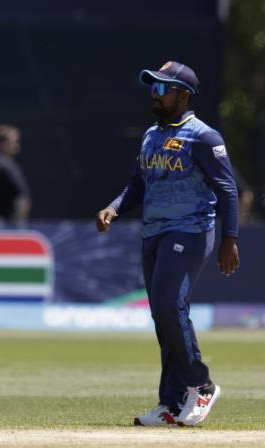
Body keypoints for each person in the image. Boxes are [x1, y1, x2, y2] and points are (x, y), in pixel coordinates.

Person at [95, 61, 240, 427]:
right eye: (153, 88)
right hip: (154, 233)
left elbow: (227, 189)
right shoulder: (150, 136)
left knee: (166, 305)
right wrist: (114, 208)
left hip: (190, 232)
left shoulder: (204, 137)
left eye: (163, 88)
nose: (155, 94)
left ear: (184, 95)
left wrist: (230, 238)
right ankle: (171, 403)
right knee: (165, 317)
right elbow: (138, 185)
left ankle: (201, 384)